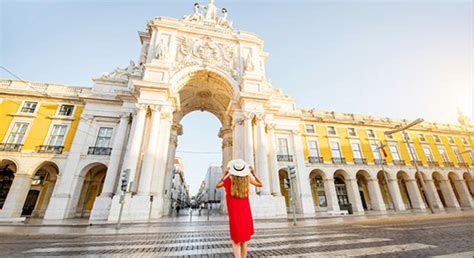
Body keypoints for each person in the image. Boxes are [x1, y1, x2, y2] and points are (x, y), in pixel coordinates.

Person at [216, 159, 262, 258]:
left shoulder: (229, 180)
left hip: (234, 213)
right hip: (245, 212)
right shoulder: (247, 178)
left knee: (235, 239)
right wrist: (254, 173)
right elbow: (260, 184)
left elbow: (217, 185)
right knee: (244, 239)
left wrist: (224, 174)